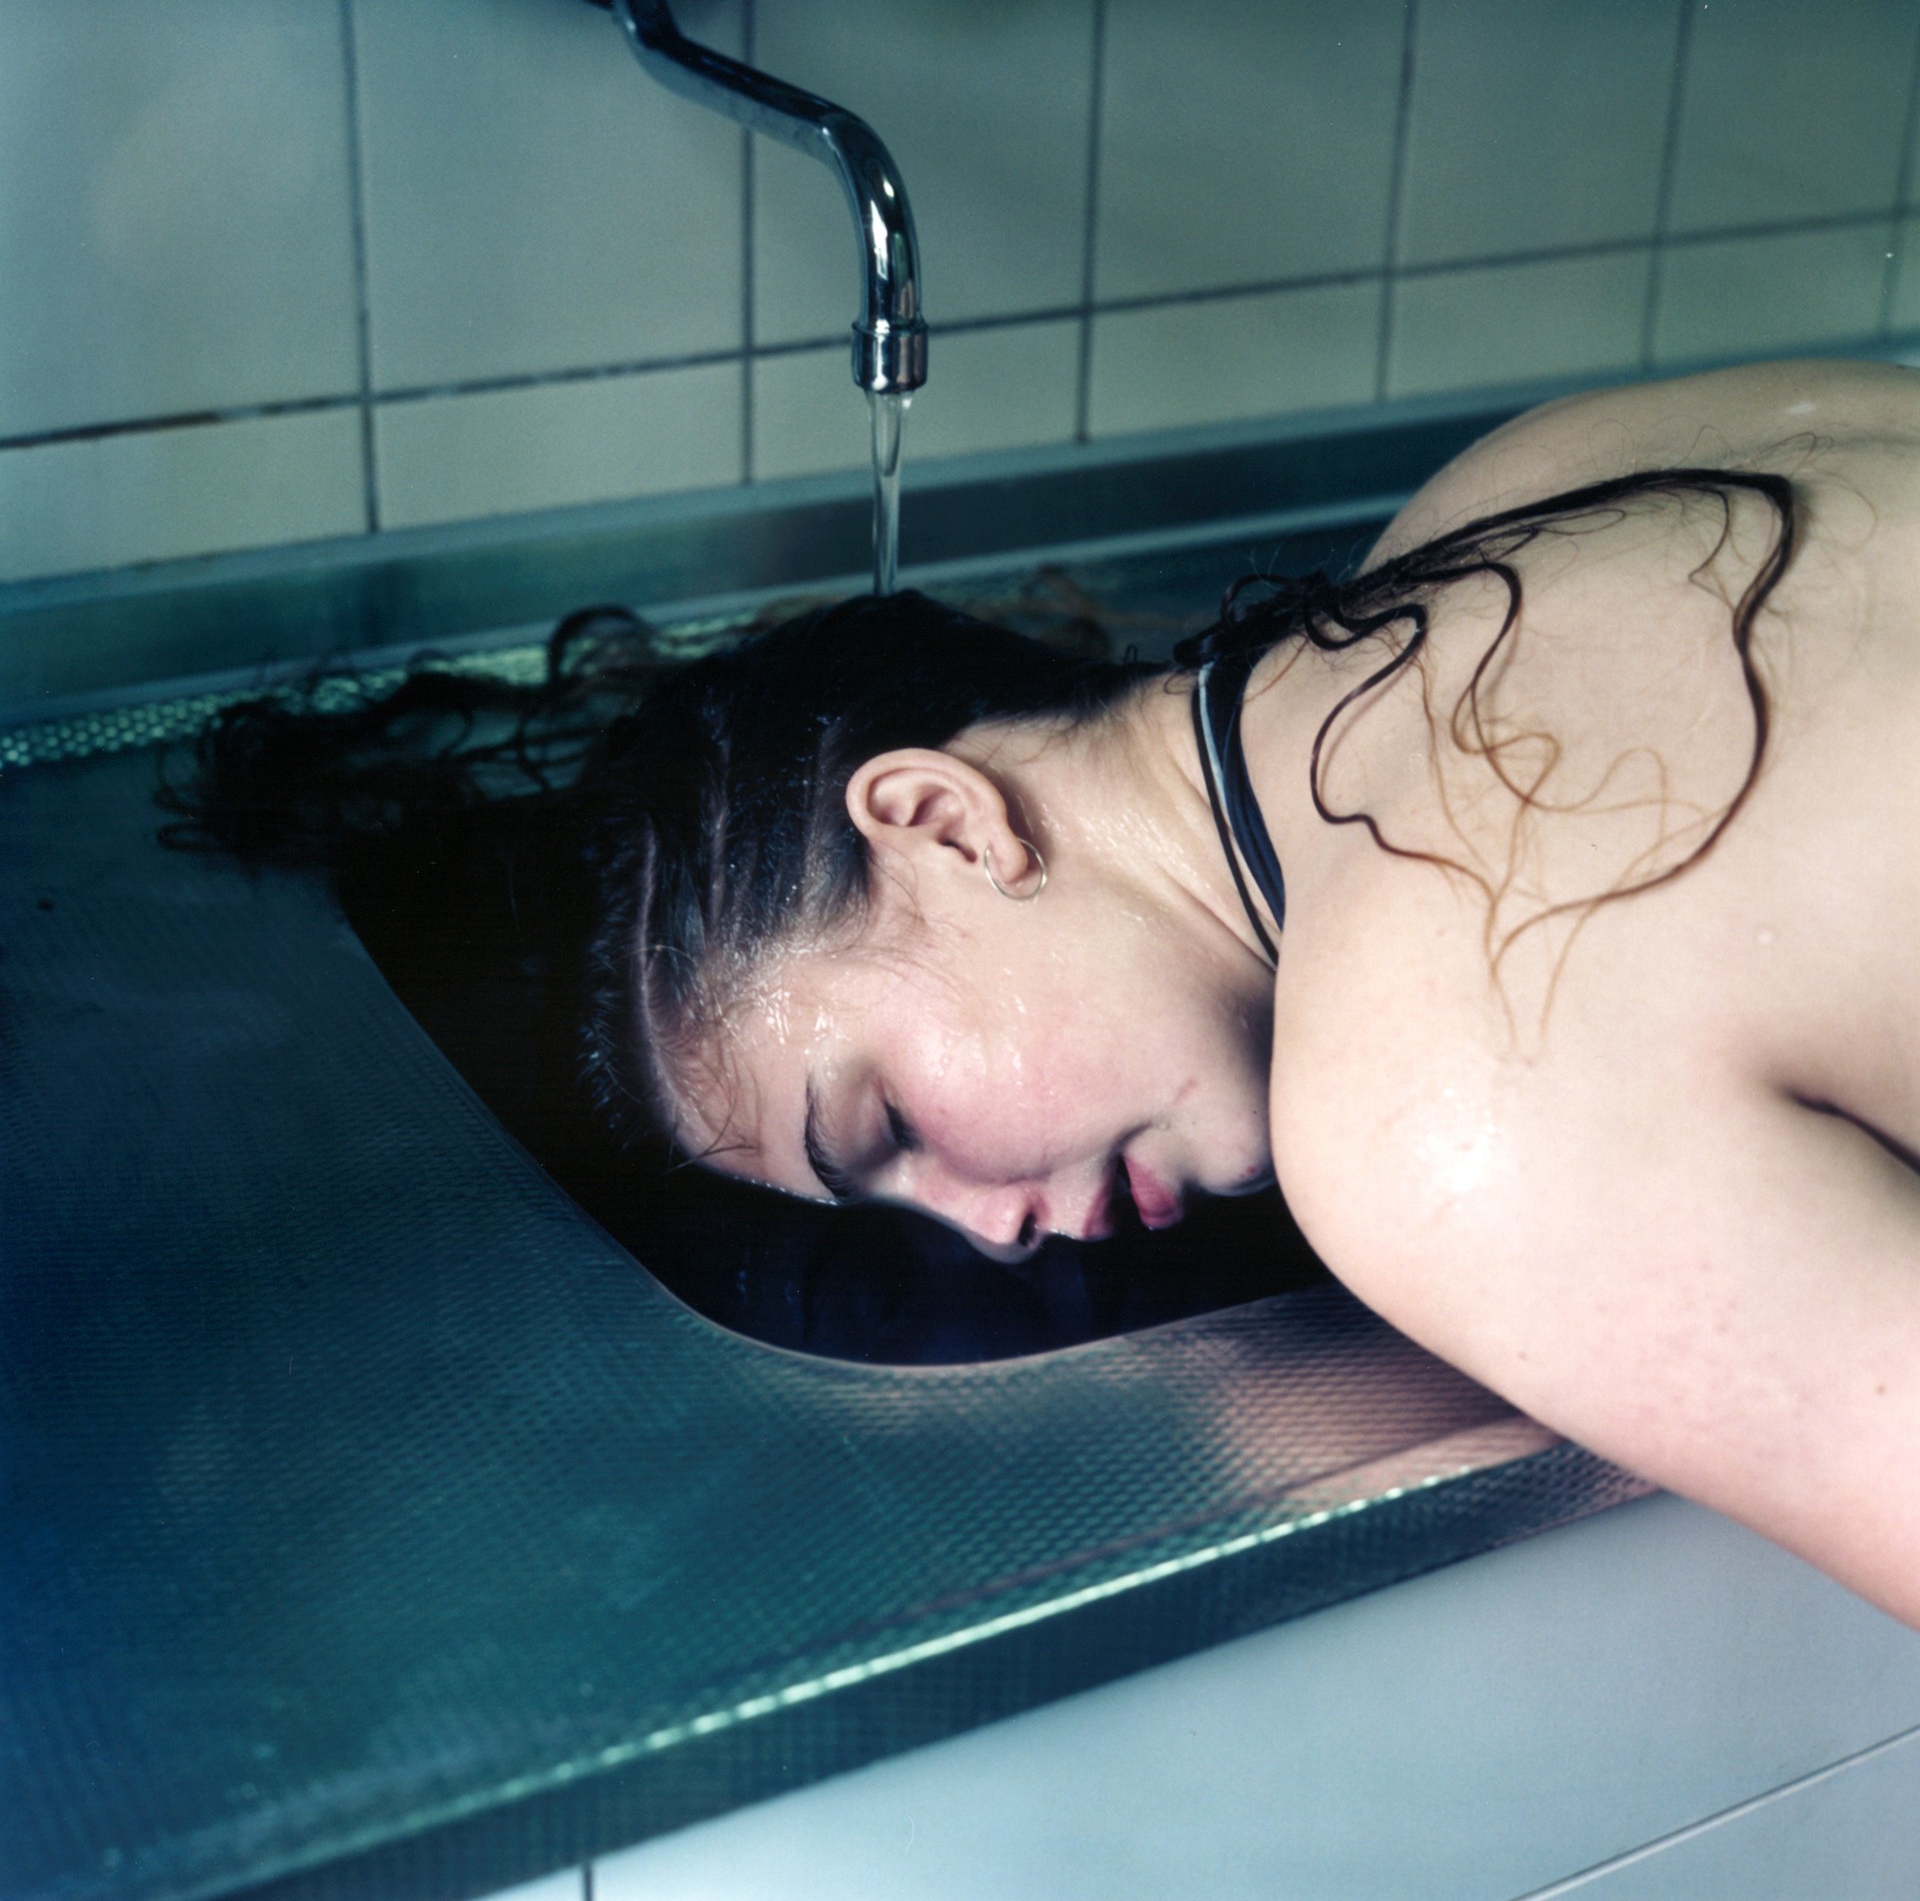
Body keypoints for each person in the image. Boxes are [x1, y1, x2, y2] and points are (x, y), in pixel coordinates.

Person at [173, 360, 1920, 1627]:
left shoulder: (1438, 1111)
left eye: (887, 1128)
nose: (989, 1233)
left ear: (943, 821)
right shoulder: (1527, 484)